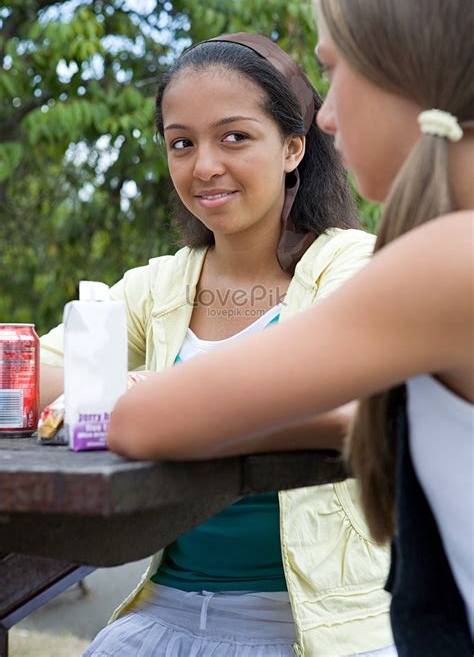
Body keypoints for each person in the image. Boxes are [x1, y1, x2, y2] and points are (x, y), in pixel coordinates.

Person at [105, 0, 474, 655]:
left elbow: (141, 418)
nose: (329, 115)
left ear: (406, 63)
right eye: (180, 142)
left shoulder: (443, 263)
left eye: (335, 71)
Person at [40, 34, 396, 655]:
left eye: (233, 136)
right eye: (182, 142)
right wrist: (138, 395)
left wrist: (151, 397)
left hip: (313, 630)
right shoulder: (160, 285)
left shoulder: (351, 264)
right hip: (163, 617)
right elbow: (30, 373)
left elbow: (355, 407)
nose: (203, 165)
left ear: (292, 147)